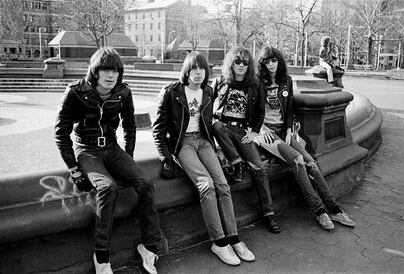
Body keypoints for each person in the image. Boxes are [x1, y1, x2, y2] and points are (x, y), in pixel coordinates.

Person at [55, 47, 163, 274]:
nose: (110, 75)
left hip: (113, 148)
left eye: (115, 70)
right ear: (95, 71)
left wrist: (129, 159)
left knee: (145, 182)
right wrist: (74, 169)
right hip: (87, 150)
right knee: (108, 187)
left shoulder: (123, 92)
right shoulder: (75, 92)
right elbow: (61, 133)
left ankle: (149, 246)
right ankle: (101, 256)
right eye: (105, 69)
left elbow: (130, 126)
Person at [152, 51, 255, 266]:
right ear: (186, 71)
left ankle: (234, 238)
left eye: (202, 69)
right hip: (183, 144)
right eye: (194, 69)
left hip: (204, 142)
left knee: (223, 185)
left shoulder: (208, 91)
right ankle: (219, 242)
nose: (198, 73)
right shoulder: (171, 92)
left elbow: (210, 122)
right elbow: (158, 130)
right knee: (206, 185)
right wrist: (166, 158)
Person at [255, 46, 356, 231]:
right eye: (267, 61)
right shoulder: (257, 83)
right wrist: (260, 129)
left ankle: (334, 208)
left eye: (274, 60)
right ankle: (319, 211)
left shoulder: (286, 80)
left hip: (282, 131)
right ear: (262, 64)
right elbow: (252, 113)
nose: (271, 64)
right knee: (298, 161)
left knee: (312, 163)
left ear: (279, 61)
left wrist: (287, 129)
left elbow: (290, 108)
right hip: (265, 133)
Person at [210, 46, 281, 234]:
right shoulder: (221, 81)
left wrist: (255, 132)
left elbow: (260, 112)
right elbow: (206, 106)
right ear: (231, 63)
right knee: (215, 125)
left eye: (245, 63)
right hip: (223, 127)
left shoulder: (254, 85)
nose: (241, 65)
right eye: (237, 61)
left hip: (242, 131)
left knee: (260, 169)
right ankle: (236, 161)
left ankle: (268, 213)